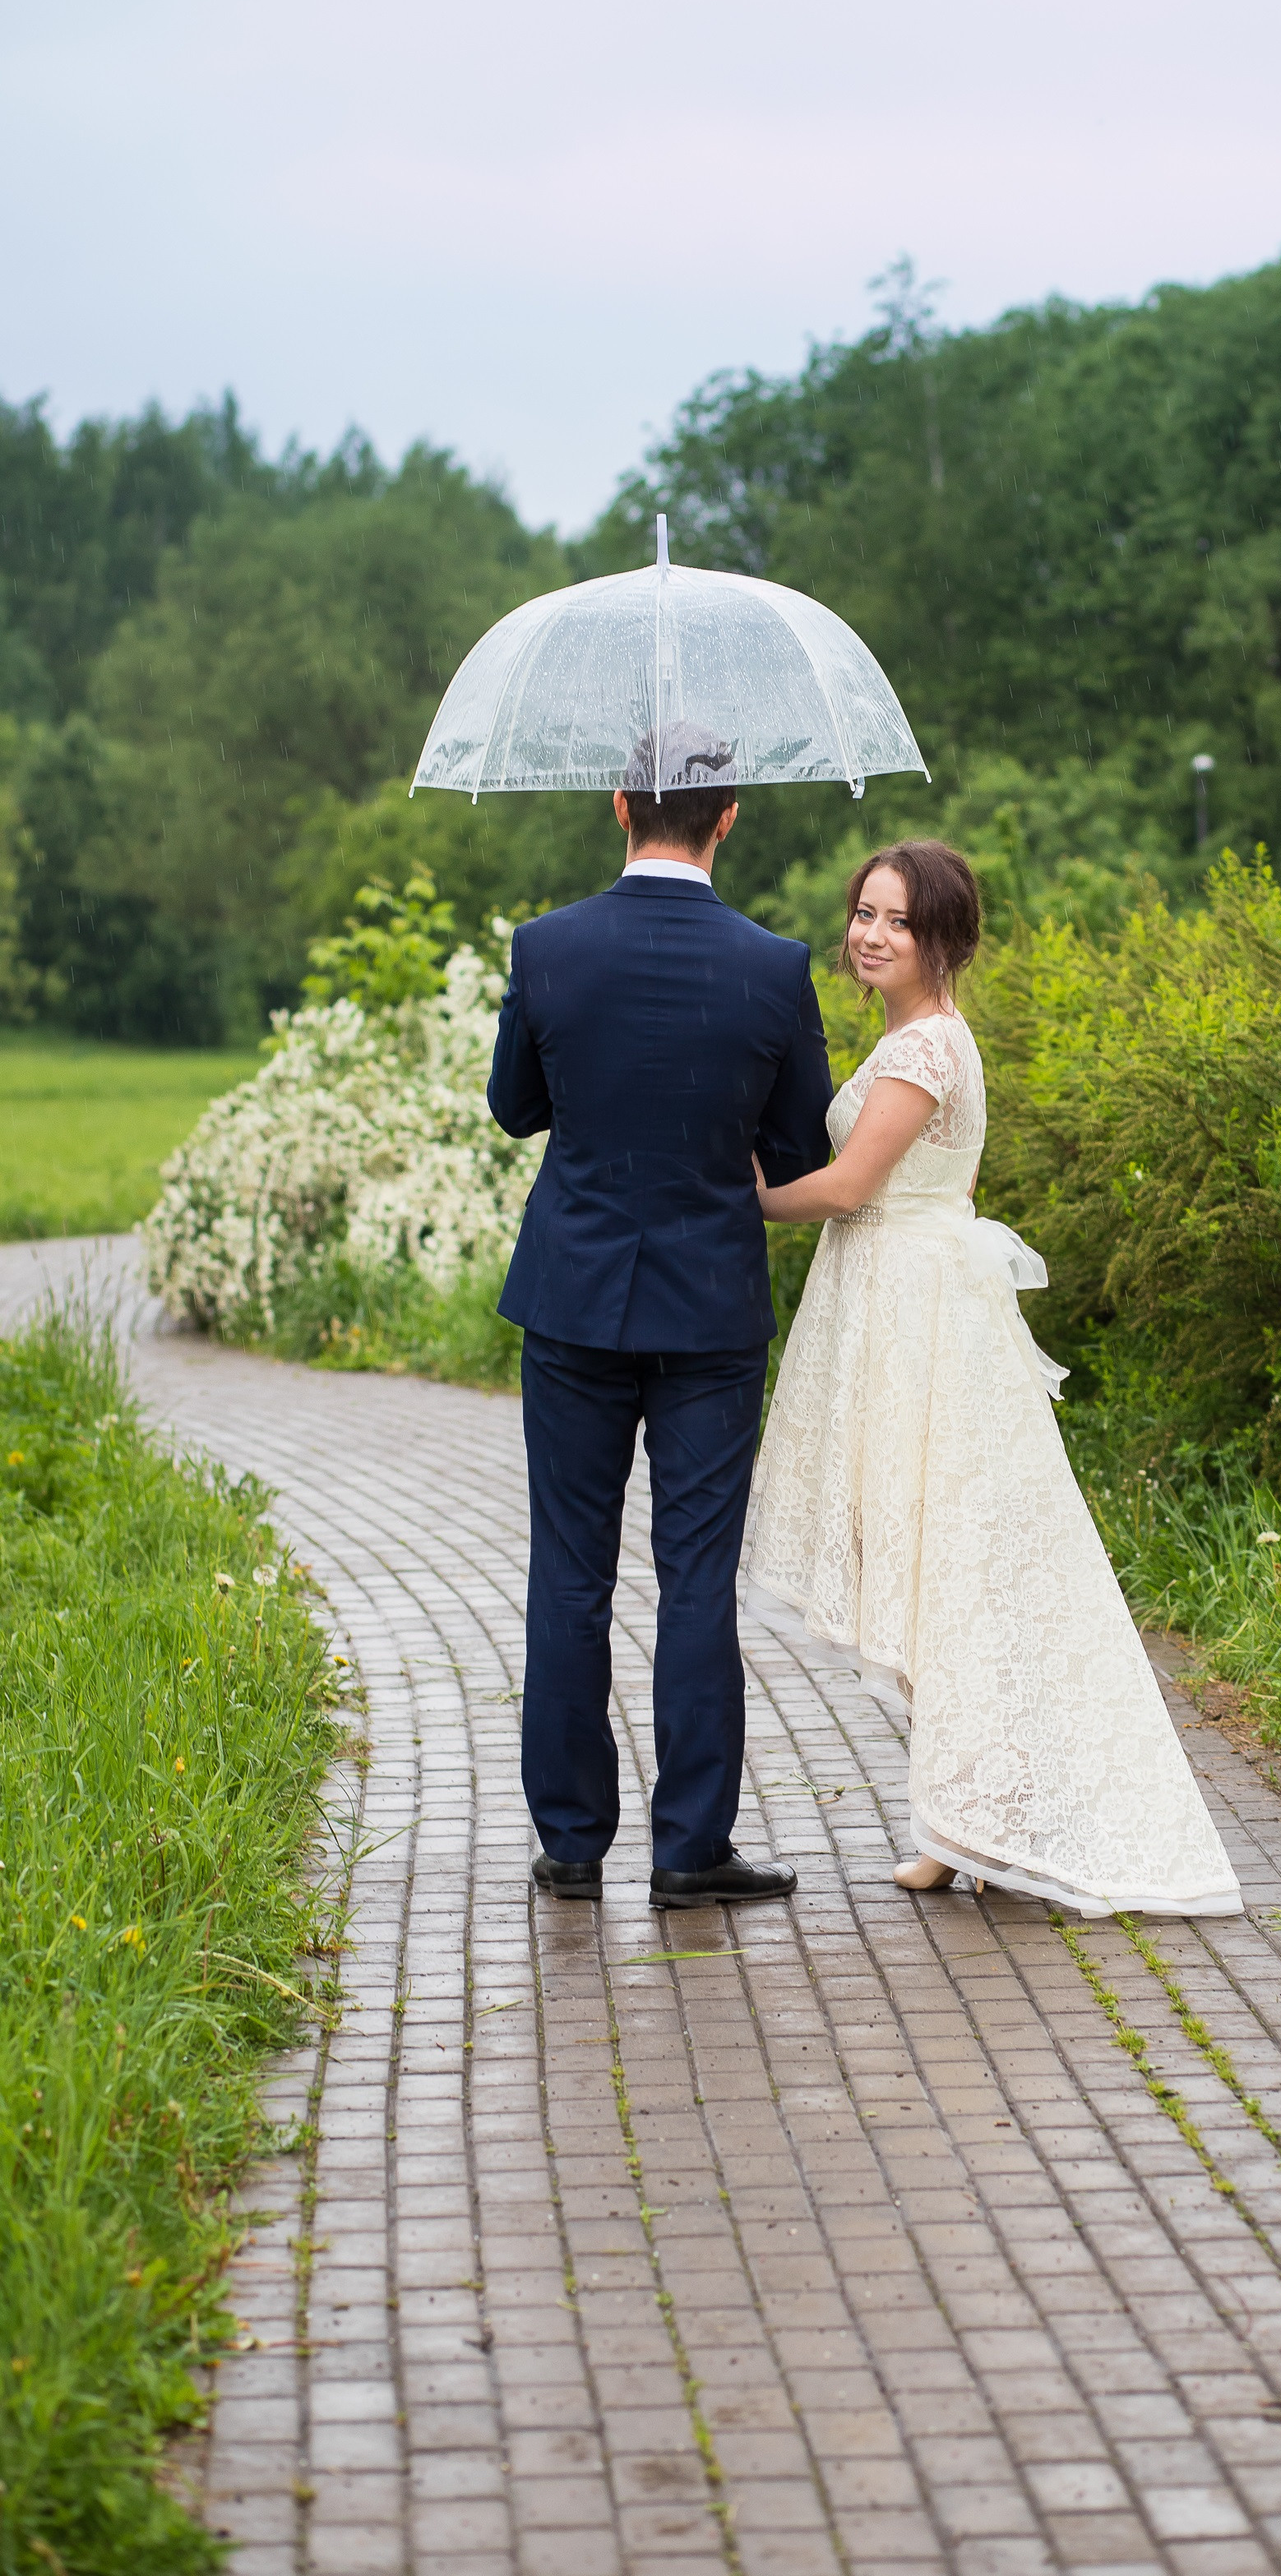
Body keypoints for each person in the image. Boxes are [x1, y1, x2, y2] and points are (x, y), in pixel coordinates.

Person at [746, 840, 1242, 1918]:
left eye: (898, 921)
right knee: (932, 1559)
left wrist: (736, 1196)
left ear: (944, 939)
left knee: (944, 1558)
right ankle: (957, 1813)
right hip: (907, 1298)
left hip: (915, 1311)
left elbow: (848, 1186)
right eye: (864, 914)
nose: (871, 934)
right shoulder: (921, 1037)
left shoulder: (927, 1050)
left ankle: (966, 1817)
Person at [487, 721, 832, 1909]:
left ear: (620, 803)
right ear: (729, 816)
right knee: (697, 1580)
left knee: (570, 1574)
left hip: (574, 1301)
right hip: (710, 1312)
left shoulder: (547, 948)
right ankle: (691, 1850)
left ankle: (572, 1843)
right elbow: (796, 1145)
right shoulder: (774, 968)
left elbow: (514, 1107)